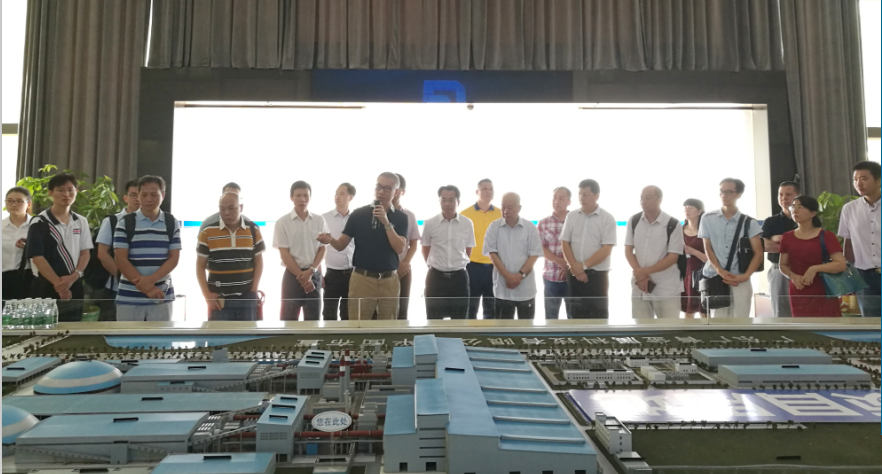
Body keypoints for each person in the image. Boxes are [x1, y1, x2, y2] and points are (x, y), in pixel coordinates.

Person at [318, 172, 408, 320]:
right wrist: (330, 240)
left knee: (388, 325)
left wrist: (386, 222)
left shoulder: (401, 217)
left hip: (389, 280)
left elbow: (399, 248)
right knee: (358, 324)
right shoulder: (359, 214)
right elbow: (341, 245)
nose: (381, 191)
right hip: (362, 279)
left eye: (387, 188)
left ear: (396, 192)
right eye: (378, 187)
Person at [113, 176, 181, 321]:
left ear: (163, 195)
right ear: (138, 195)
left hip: (161, 295)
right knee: (126, 336)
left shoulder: (171, 222)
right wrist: (148, 288)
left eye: (154, 195)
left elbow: (174, 258)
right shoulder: (125, 222)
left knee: (160, 336)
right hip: (129, 297)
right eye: (144, 195)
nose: (149, 199)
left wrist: (151, 281)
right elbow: (120, 259)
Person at [27, 174, 93, 322]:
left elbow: (85, 252)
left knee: (72, 328)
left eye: (70, 190)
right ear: (50, 193)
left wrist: (73, 277)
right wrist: (59, 285)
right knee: (44, 329)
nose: (66, 194)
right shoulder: (39, 222)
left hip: (74, 283)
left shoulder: (81, 221)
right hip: (46, 284)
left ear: (76, 191)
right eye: (60, 190)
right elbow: (37, 257)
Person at [698, 178, 763, 318]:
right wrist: (719, 270)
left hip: (740, 278)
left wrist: (745, 276)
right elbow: (707, 248)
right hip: (715, 277)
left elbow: (758, 253)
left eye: (728, 192)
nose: (723, 195)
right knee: (717, 321)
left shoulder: (749, 222)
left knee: (741, 320)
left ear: (738, 194)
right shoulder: (707, 218)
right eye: (721, 191)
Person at [197, 192, 265, 321]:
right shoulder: (207, 232)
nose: (226, 213)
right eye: (222, 209)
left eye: (231, 208)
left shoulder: (253, 230)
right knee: (220, 334)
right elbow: (200, 266)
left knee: (247, 334)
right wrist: (207, 295)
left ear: (241, 207)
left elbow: (259, 261)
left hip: (246, 298)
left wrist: (253, 290)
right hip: (219, 300)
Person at [779, 195, 847, 317]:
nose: (795, 210)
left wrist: (814, 268)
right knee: (802, 326)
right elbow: (783, 265)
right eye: (793, 207)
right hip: (798, 289)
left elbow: (841, 264)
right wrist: (792, 276)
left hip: (822, 288)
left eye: (800, 207)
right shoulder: (787, 237)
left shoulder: (826, 235)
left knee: (828, 324)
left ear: (813, 213)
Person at [624, 186, 685, 319]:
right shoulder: (634, 220)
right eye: (641, 198)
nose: (643, 201)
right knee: (641, 328)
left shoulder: (672, 224)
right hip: (639, 287)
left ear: (659, 200)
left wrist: (643, 272)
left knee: (669, 328)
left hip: (666, 288)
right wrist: (641, 276)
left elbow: (672, 257)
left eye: (648, 198)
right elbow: (628, 250)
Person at [561, 179, 617, 319]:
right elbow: (565, 242)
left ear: (596, 196)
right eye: (580, 194)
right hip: (574, 274)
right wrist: (574, 267)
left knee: (598, 317)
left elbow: (606, 249)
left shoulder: (607, 218)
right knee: (574, 316)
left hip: (597, 276)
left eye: (586, 195)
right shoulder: (571, 216)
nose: (581, 198)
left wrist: (583, 266)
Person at [274, 181, 329, 321]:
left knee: (313, 320)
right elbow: (284, 253)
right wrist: (302, 277)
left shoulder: (319, 220)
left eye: (306, 195)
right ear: (291, 197)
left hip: (313, 273)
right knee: (288, 320)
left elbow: (323, 248)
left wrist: (311, 271)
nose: (302, 199)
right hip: (292, 276)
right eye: (298, 195)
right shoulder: (283, 222)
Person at [483, 193, 542, 319]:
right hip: (503, 289)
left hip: (525, 289)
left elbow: (534, 255)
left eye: (509, 207)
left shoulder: (530, 228)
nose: (505, 211)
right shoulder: (493, 227)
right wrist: (508, 276)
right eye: (503, 207)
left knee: (526, 328)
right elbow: (492, 254)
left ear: (519, 208)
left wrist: (519, 276)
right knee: (502, 328)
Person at [422, 185, 475, 319]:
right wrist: (434, 264)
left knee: (459, 320)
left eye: (451, 200)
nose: (447, 204)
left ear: (458, 202)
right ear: (439, 201)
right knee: (434, 319)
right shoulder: (430, 223)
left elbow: (468, 249)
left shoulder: (467, 223)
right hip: (436, 278)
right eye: (443, 199)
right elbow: (425, 248)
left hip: (459, 278)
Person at [839, 161, 882, 317]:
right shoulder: (849, 209)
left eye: (863, 178)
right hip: (864, 275)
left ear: (878, 180)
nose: (858, 183)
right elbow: (848, 244)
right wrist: (849, 274)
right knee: (870, 321)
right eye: (855, 179)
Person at [95, 179, 140, 321]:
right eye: (133, 195)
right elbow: (102, 253)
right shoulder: (112, 221)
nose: (138, 199)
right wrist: (123, 277)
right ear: (126, 198)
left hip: (146, 288)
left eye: (141, 194)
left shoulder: (155, 222)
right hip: (117, 287)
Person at [460, 179, 502, 319]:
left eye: (491, 189)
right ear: (477, 192)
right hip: (472, 266)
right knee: (470, 307)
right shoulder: (465, 214)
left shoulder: (501, 214)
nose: (488, 191)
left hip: (494, 266)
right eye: (484, 189)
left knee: (491, 309)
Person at [762, 181, 800, 317]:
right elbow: (763, 245)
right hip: (778, 270)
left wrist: (778, 239)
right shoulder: (771, 221)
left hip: (803, 270)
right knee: (781, 311)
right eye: (780, 195)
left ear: (798, 196)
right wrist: (791, 244)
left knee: (803, 311)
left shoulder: (807, 220)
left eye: (788, 195)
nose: (784, 198)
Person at [322, 183, 356, 320]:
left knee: (348, 313)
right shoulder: (324, 218)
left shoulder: (355, 219)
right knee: (329, 312)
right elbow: (317, 247)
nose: (337, 197)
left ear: (350, 197)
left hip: (352, 273)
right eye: (336, 193)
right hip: (332, 273)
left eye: (342, 194)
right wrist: (318, 273)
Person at [538, 187, 572, 319]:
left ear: (569, 202)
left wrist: (567, 266)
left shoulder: (576, 221)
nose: (556, 201)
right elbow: (540, 248)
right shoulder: (543, 223)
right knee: (551, 318)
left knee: (573, 317)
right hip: (550, 277)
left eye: (561, 198)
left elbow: (580, 248)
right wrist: (560, 262)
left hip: (573, 277)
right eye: (554, 198)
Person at [392, 173, 421, 320]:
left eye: (397, 189)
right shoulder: (377, 213)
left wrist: (404, 264)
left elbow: (414, 244)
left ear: (402, 191)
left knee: (402, 310)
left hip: (404, 269)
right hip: (383, 269)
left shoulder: (409, 215)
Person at [2, 187, 33, 303]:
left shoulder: (37, 225)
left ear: (28, 204)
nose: (14, 204)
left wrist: (29, 247)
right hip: (3, 277)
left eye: (19, 201)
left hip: (28, 277)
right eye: (10, 201)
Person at [681, 199, 708, 318]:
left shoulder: (706, 231)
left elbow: (710, 258)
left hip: (703, 273)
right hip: (684, 273)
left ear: (699, 211)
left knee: (704, 310)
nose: (687, 210)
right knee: (688, 310)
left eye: (690, 207)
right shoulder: (680, 230)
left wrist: (693, 251)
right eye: (685, 207)